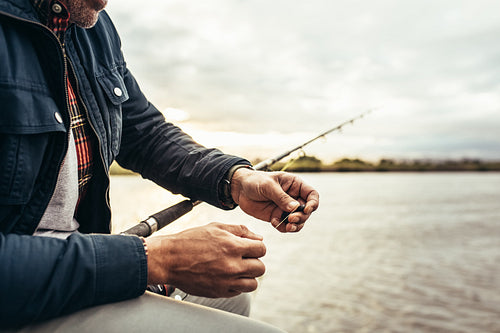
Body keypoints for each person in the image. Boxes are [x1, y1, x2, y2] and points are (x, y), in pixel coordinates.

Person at [0, 0, 319, 331]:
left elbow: (143, 132)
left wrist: (234, 179)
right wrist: (156, 259)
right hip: (21, 292)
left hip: (74, 267)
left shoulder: (94, 28)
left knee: (233, 296)